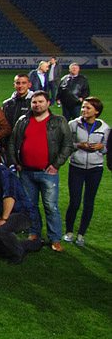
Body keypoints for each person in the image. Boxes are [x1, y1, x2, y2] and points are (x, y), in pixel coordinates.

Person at [8, 91, 74, 252]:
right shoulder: (23, 120)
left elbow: (67, 145)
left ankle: (55, 238)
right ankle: (34, 233)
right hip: (26, 172)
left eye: (40, 102)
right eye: (34, 102)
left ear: (48, 103)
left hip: (48, 172)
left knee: (51, 206)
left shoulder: (58, 121)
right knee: (30, 205)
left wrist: (56, 165)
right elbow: (12, 143)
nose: (37, 105)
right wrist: (16, 163)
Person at [0, 147, 42, 264]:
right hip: (6, 213)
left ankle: (18, 253)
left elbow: (9, 197)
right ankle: (32, 245)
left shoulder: (6, 174)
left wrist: (3, 219)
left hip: (22, 214)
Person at [65, 97, 108, 247]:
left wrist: (101, 147)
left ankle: (81, 234)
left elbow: (107, 148)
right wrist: (79, 145)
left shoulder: (105, 128)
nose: (84, 110)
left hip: (95, 169)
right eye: (83, 107)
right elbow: (67, 144)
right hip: (76, 167)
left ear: (97, 111)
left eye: (88, 108)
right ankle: (69, 232)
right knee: (74, 201)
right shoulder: (73, 124)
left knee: (89, 202)